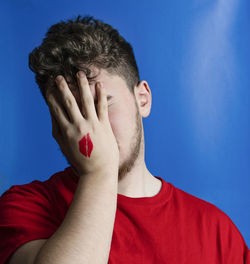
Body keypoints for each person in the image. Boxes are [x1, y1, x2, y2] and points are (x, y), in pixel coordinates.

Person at [0, 14, 249, 264]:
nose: (89, 129)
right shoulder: (25, 206)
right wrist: (97, 171)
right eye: (70, 113)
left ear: (143, 99)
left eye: (101, 104)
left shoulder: (217, 230)